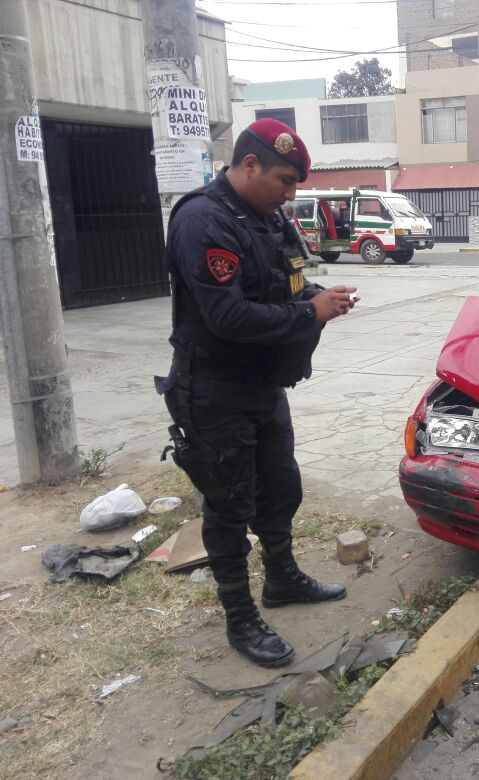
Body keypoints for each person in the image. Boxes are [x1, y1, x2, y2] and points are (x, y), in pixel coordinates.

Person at [155, 119, 359, 667]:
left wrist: (318, 295)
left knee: (279, 489)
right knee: (228, 506)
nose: (291, 194)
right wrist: (308, 313)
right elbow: (226, 316)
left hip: (264, 384)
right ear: (249, 165)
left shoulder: (267, 218)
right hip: (215, 391)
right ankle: (240, 617)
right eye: (284, 180)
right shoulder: (203, 219)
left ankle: (282, 579)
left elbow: (284, 284)